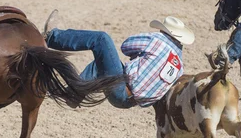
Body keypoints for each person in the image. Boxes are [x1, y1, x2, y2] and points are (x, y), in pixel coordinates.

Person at [42, 12, 194, 109]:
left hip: (121, 88)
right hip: (129, 102)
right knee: (99, 64)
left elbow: (126, 46)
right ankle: (74, 95)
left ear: (165, 31)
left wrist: (139, 56)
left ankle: (52, 37)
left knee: (102, 39)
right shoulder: (179, 66)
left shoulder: (158, 40)